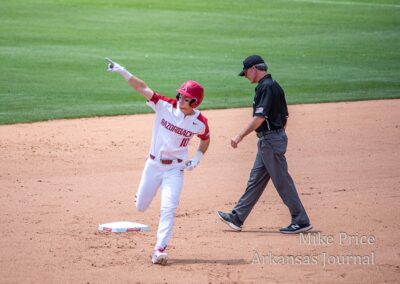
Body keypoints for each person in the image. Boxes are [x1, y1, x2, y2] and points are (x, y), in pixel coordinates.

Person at [106, 58, 210, 265]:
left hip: (175, 169)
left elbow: (206, 139)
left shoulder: (200, 122)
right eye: (180, 95)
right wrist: (123, 71)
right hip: (153, 166)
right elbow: (143, 88)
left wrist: (197, 158)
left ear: (195, 103)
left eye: (185, 97)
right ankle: (142, 195)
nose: (180, 99)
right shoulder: (164, 105)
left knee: (168, 209)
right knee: (141, 207)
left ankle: (159, 249)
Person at [217, 55, 312, 234]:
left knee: (282, 181)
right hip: (271, 139)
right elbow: (284, 118)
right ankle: (237, 217)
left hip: (270, 141)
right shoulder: (274, 86)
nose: (246, 76)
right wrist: (277, 135)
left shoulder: (266, 88)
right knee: (256, 180)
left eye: (246, 72)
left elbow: (259, 117)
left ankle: (301, 220)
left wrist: (239, 136)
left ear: (254, 68)